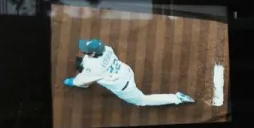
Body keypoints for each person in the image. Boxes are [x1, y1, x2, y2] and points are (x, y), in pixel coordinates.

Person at [64, 38, 194, 107]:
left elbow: (80, 79)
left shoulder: (92, 68)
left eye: (85, 50)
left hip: (124, 87)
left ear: (92, 53)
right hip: (126, 71)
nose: (83, 51)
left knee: (141, 101)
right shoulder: (107, 49)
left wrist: (73, 81)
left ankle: (176, 98)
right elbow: (93, 60)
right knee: (92, 76)